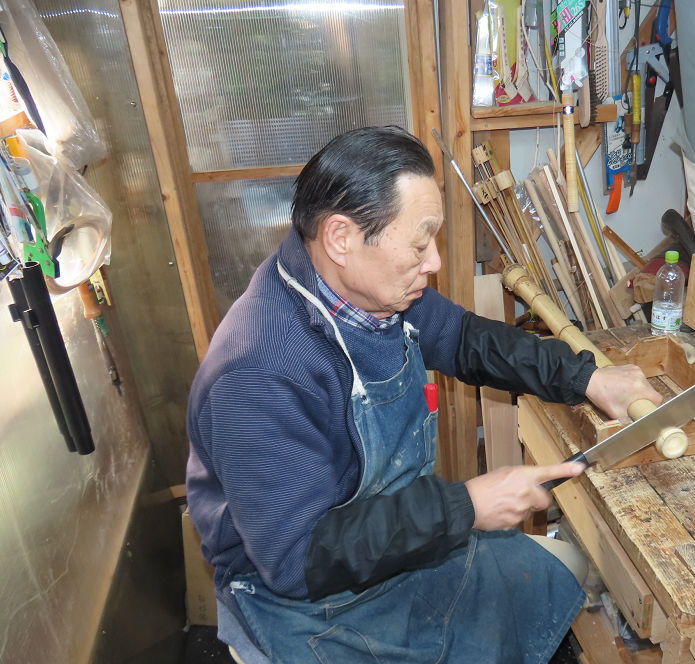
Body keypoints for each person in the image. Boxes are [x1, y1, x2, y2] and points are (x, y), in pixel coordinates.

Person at [186, 126, 664, 663]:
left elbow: (465, 339)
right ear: (340, 237)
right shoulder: (259, 372)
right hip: (309, 602)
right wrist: (465, 507)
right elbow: (296, 560)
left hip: (393, 544)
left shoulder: (372, 294)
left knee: (547, 584)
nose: (433, 261)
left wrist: (585, 378)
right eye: (419, 243)